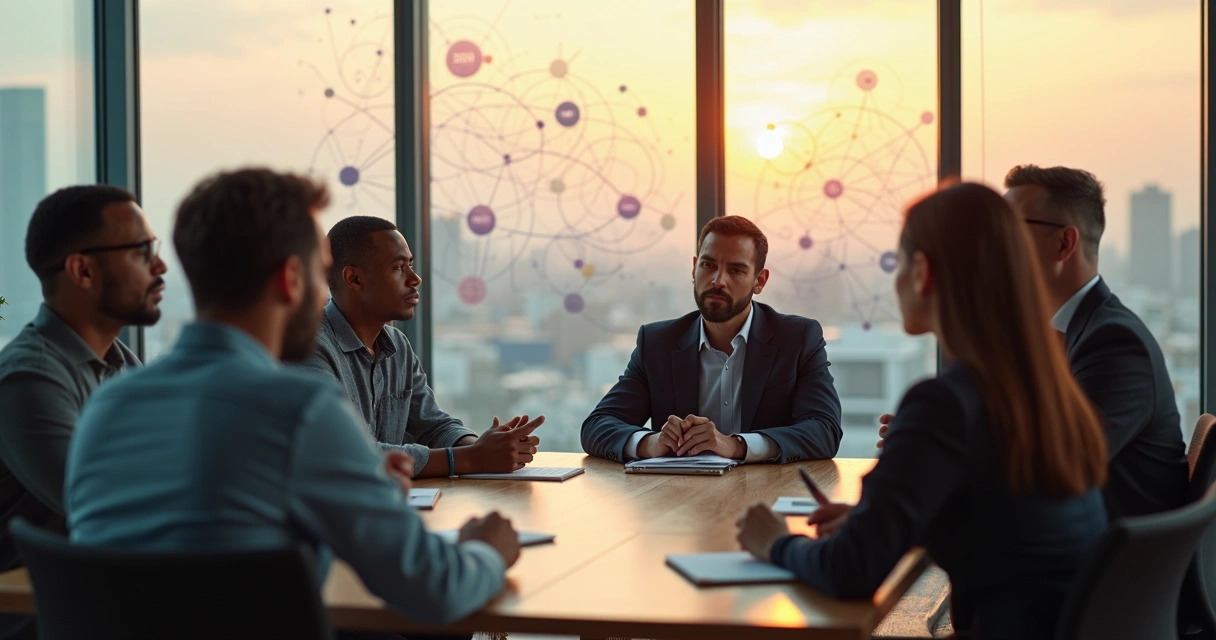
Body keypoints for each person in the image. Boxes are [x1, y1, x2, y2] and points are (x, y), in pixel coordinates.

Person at [65, 169, 521, 629]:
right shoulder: (300, 412)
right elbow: (435, 589)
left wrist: (367, 489)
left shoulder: (106, 406)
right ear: (290, 278)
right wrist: (486, 548)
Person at [738, 183, 1109, 640]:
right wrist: (875, 521)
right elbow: (997, 520)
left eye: (896, 263)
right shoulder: (1044, 388)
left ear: (921, 271)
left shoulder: (945, 403)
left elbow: (851, 571)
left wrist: (776, 542)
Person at [877, 165, 1187, 520]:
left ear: (1063, 243)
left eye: (1010, 230)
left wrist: (939, 447)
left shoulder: (1114, 342)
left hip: (1097, 565)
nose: (996, 246)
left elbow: (1062, 468)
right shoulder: (1051, 333)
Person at [294, 216, 542, 478]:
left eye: (410, 264)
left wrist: (485, 448)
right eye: (399, 267)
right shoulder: (308, 348)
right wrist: (470, 459)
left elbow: (431, 426)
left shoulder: (397, 345)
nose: (415, 279)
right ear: (354, 279)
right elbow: (345, 453)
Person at [582, 215, 842, 464]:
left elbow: (824, 430)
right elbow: (597, 425)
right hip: (678, 500)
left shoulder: (797, 339)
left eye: (736, 270)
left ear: (759, 281)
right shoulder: (657, 343)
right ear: (694, 268)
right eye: (708, 265)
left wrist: (736, 445)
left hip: (766, 497)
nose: (718, 281)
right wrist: (651, 443)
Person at [0, 185, 166, 571]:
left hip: (113, 598)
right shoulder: (29, 378)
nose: (160, 267)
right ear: (82, 270)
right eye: (142, 252)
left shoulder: (122, 364)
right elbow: (107, 505)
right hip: (45, 618)